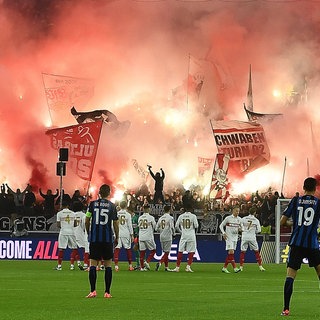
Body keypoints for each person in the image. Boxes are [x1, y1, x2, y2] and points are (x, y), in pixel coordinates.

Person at [280, 177, 320, 316]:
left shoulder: (296, 200)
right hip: (312, 244)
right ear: (315, 188)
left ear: (303, 187)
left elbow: (282, 222)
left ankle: (286, 309)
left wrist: (295, 224)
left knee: (290, 276)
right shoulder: (318, 203)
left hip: (297, 243)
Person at [85, 184, 119, 298]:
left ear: (99, 193)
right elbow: (115, 222)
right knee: (108, 265)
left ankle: (93, 291)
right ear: (109, 193)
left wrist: (89, 232)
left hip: (95, 238)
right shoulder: (112, 206)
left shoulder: (92, 204)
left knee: (93, 264)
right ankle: (107, 292)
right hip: (107, 239)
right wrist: (117, 236)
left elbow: (87, 219)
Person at [54, 194, 78, 271]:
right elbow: (75, 224)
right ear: (68, 205)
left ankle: (59, 266)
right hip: (72, 232)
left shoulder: (59, 213)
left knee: (61, 249)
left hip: (63, 232)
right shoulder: (73, 213)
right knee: (74, 248)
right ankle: (72, 266)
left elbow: (58, 225)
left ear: (62, 205)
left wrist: (64, 226)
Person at [172, 204, 199, 272]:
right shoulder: (193, 216)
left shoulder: (181, 216)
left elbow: (176, 226)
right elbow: (196, 226)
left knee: (180, 251)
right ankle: (188, 266)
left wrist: (181, 232)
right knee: (191, 251)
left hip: (183, 235)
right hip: (191, 235)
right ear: (191, 210)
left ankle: (177, 267)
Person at [239, 207, 265, 271]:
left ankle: (241, 267)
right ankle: (260, 266)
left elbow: (240, 226)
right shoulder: (256, 220)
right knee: (256, 251)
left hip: (244, 237)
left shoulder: (243, 219)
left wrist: (243, 230)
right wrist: (253, 231)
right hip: (252, 237)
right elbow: (259, 230)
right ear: (254, 213)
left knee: (243, 251)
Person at [219, 206, 242, 273]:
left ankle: (224, 268)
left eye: (238, 211)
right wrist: (223, 233)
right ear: (233, 211)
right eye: (236, 211)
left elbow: (241, 228)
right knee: (231, 252)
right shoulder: (228, 218)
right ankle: (235, 268)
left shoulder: (239, 219)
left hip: (235, 238)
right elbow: (221, 226)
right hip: (229, 237)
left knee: (230, 253)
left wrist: (241, 229)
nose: (237, 212)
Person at [113, 200, 134, 271]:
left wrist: (114, 234)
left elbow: (113, 225)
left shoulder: (116, 214)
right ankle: (130, 266)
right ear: (126, 206)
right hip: (126, 233)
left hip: (118, 233)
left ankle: (116, 266)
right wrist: (132, 235)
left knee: (117, 249)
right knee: (128, 249)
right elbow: (130, 225)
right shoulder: (128, 215)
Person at [155, 204, 175, 271]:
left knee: (165, 252)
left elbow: (156, 228)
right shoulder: (170, 218)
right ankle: (160, 262)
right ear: (169, 210)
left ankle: (166, 267)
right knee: (167, 252)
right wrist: (174, 233)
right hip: (168, 236)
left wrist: (161, 230)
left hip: (161, 236)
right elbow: (172, 227)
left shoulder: (160, 218)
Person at [138, 203, 157, 271]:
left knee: (142, 252)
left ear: (143, 209)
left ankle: (142, 267)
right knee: (154, 250)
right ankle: (147, 262)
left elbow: (139, 227)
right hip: (148, 236)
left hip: (141, 236)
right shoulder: (151, 218)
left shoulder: (140, 218)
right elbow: (155, 227)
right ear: (149, 209)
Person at [73, 201, 89, 270]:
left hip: (72, 233)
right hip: (80, 234)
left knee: (74, 249)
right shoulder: (83, 215)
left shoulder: (72, 214)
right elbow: (84, 225)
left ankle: (77, 263)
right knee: (85, 249)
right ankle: (86, 264)